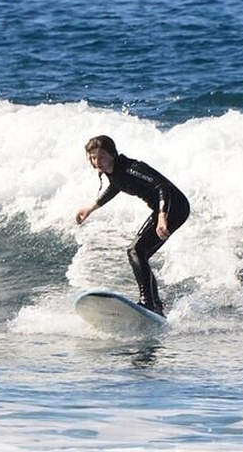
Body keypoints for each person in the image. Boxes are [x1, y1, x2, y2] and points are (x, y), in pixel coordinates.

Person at [74, 135, 189, 316]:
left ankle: (148, 303)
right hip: (166, 209)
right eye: (93, 157)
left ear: (112, 154)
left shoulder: (130, 168)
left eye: (102, 156)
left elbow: (162, 187)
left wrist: (162, 216)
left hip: (175, 208)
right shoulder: (114, 172)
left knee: (135, 251)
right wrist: (91, 208)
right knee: (140, 254)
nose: (98, 161)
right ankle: (155, 305)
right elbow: (116, 186)